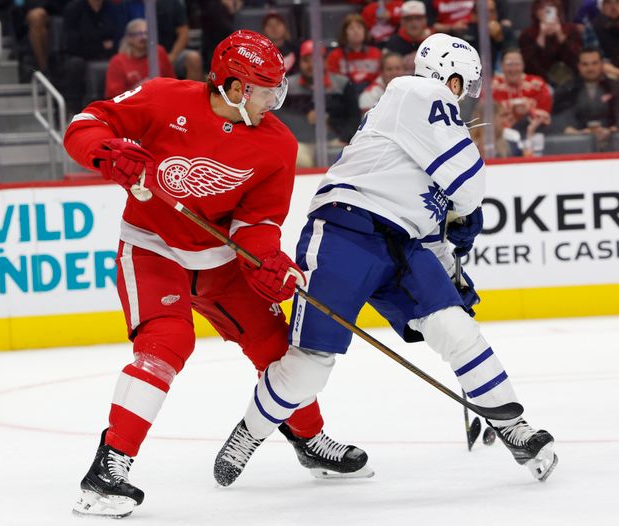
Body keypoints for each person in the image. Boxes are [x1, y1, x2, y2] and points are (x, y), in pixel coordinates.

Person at [213, 33, 558, 488]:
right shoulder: (412, 92)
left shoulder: (429, 142)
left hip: (404, 245)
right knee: (310, 365)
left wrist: (452, 273)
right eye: (464, 87)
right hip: (345, 232)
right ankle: (249, 434)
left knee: (457, 329)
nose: (462, 100)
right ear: (451, 78)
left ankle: (513, 427)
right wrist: (466, 210)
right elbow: (472, 187)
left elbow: (434, 233)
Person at [63, 30, 370, 519]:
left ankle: (309, 439)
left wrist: (267, 261)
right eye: (266, 87)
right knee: (165, 344)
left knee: (276, 347)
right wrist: (105, 150)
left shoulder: (277, 145)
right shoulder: (164, 98)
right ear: (233, 88)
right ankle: (108, 468)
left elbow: (258, 223)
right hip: (151, 251)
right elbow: (88, 121)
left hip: (220, 265)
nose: (276, 97)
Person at [279, 40, 362, 167]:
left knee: (343, 159)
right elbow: (280, 118)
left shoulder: (342, 84)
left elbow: (354, 118)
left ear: (324, 61)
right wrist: (303, 120)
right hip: (300, 143)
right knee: (298, 160)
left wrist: (334, 125)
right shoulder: (288, 87)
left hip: (334, 140)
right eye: (306, 60)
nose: (311, 65)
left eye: (316, 60)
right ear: (300, 62)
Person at [553, 47, 619, 150]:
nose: (590, 68)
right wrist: (573, 131)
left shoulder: (616, 87)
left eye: (594, 63)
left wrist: (612, 130)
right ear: (579, 66)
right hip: (577, 142)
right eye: (585, 64)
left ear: (602, 64)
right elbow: (559, 116)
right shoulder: (567, 89)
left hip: (612, 141)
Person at [518, 0, 583, 88]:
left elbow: (577, 61)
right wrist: (541, 37)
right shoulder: (527, 34)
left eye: (550, 8)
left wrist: (560, 35)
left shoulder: (571, 30)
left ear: (557, 10)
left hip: (570, 81)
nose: (546, 11)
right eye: (542, 8)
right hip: (538, 82)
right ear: (536, 12)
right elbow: (528, 66)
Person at [104, 18, 176, 99]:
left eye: (146, 33)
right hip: (132, 105)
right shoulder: (118, 61)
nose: (144, 37)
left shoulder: (159, 52)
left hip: (161, 100)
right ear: (129, 38)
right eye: (139, 34)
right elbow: (113, 97)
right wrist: (139, 88)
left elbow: (172, 81)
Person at [492, 49, 552, 142]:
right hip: (501, 139)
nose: (513, 69)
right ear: (501, 65)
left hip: (535, 136)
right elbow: (486, 117)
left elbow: (546, 115)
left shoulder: (538, 85)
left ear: (523, 65)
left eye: (517, 64)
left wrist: (528, 111)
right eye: (509, 64)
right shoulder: (492, 87)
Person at [326, 14, 383, 94]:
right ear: (345, 33)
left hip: (372, 95)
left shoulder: (376, 53)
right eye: (351, 28)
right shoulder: (335, 56)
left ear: (365, 31)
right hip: (345, 97)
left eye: (359, 27)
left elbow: (382, 78)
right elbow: (332, 81)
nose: (356, 31)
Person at [384, 0, 431, 73]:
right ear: (402, 22)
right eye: (409, 19)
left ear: (425, 20)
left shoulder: (433, 40)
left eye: (418, 18)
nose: (413, 22)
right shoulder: (393, 42)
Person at [262, 10, 300, 76]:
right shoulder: (260, 52)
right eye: (269, 25)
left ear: (285, 27)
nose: (274, 28)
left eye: (278, 24)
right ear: (264, 30)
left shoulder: (296, 49)